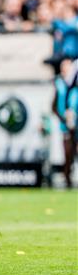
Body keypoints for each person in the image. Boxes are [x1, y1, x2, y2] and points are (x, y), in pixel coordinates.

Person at [52, 57, 78, 189]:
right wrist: (65, 120)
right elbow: (54, 106)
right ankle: (67, 180)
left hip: (76, 124)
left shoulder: (75, 85)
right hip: (66, 126)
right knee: (68, 154)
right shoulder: (59, 84)